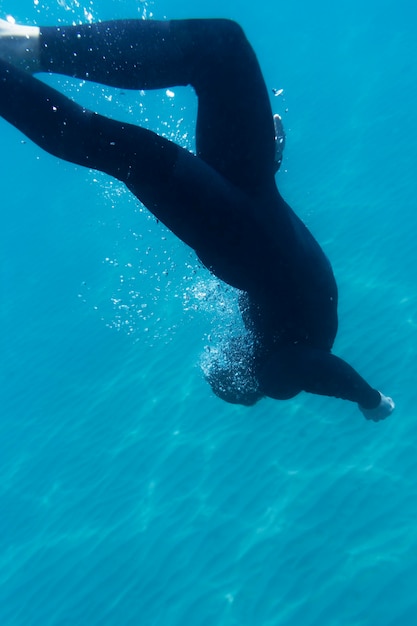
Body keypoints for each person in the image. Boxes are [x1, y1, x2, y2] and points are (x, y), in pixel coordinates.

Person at [0, 17, 394, 420]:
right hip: (253, 192)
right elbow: (319, 371)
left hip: (234, 228)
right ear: (240, 383)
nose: (220, 355)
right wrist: (369, 399)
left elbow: (288, 281)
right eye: (221, 371)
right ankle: (30, 48)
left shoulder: (273, 369)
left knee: (117, 147)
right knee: (221, 45)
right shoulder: (282, 368)